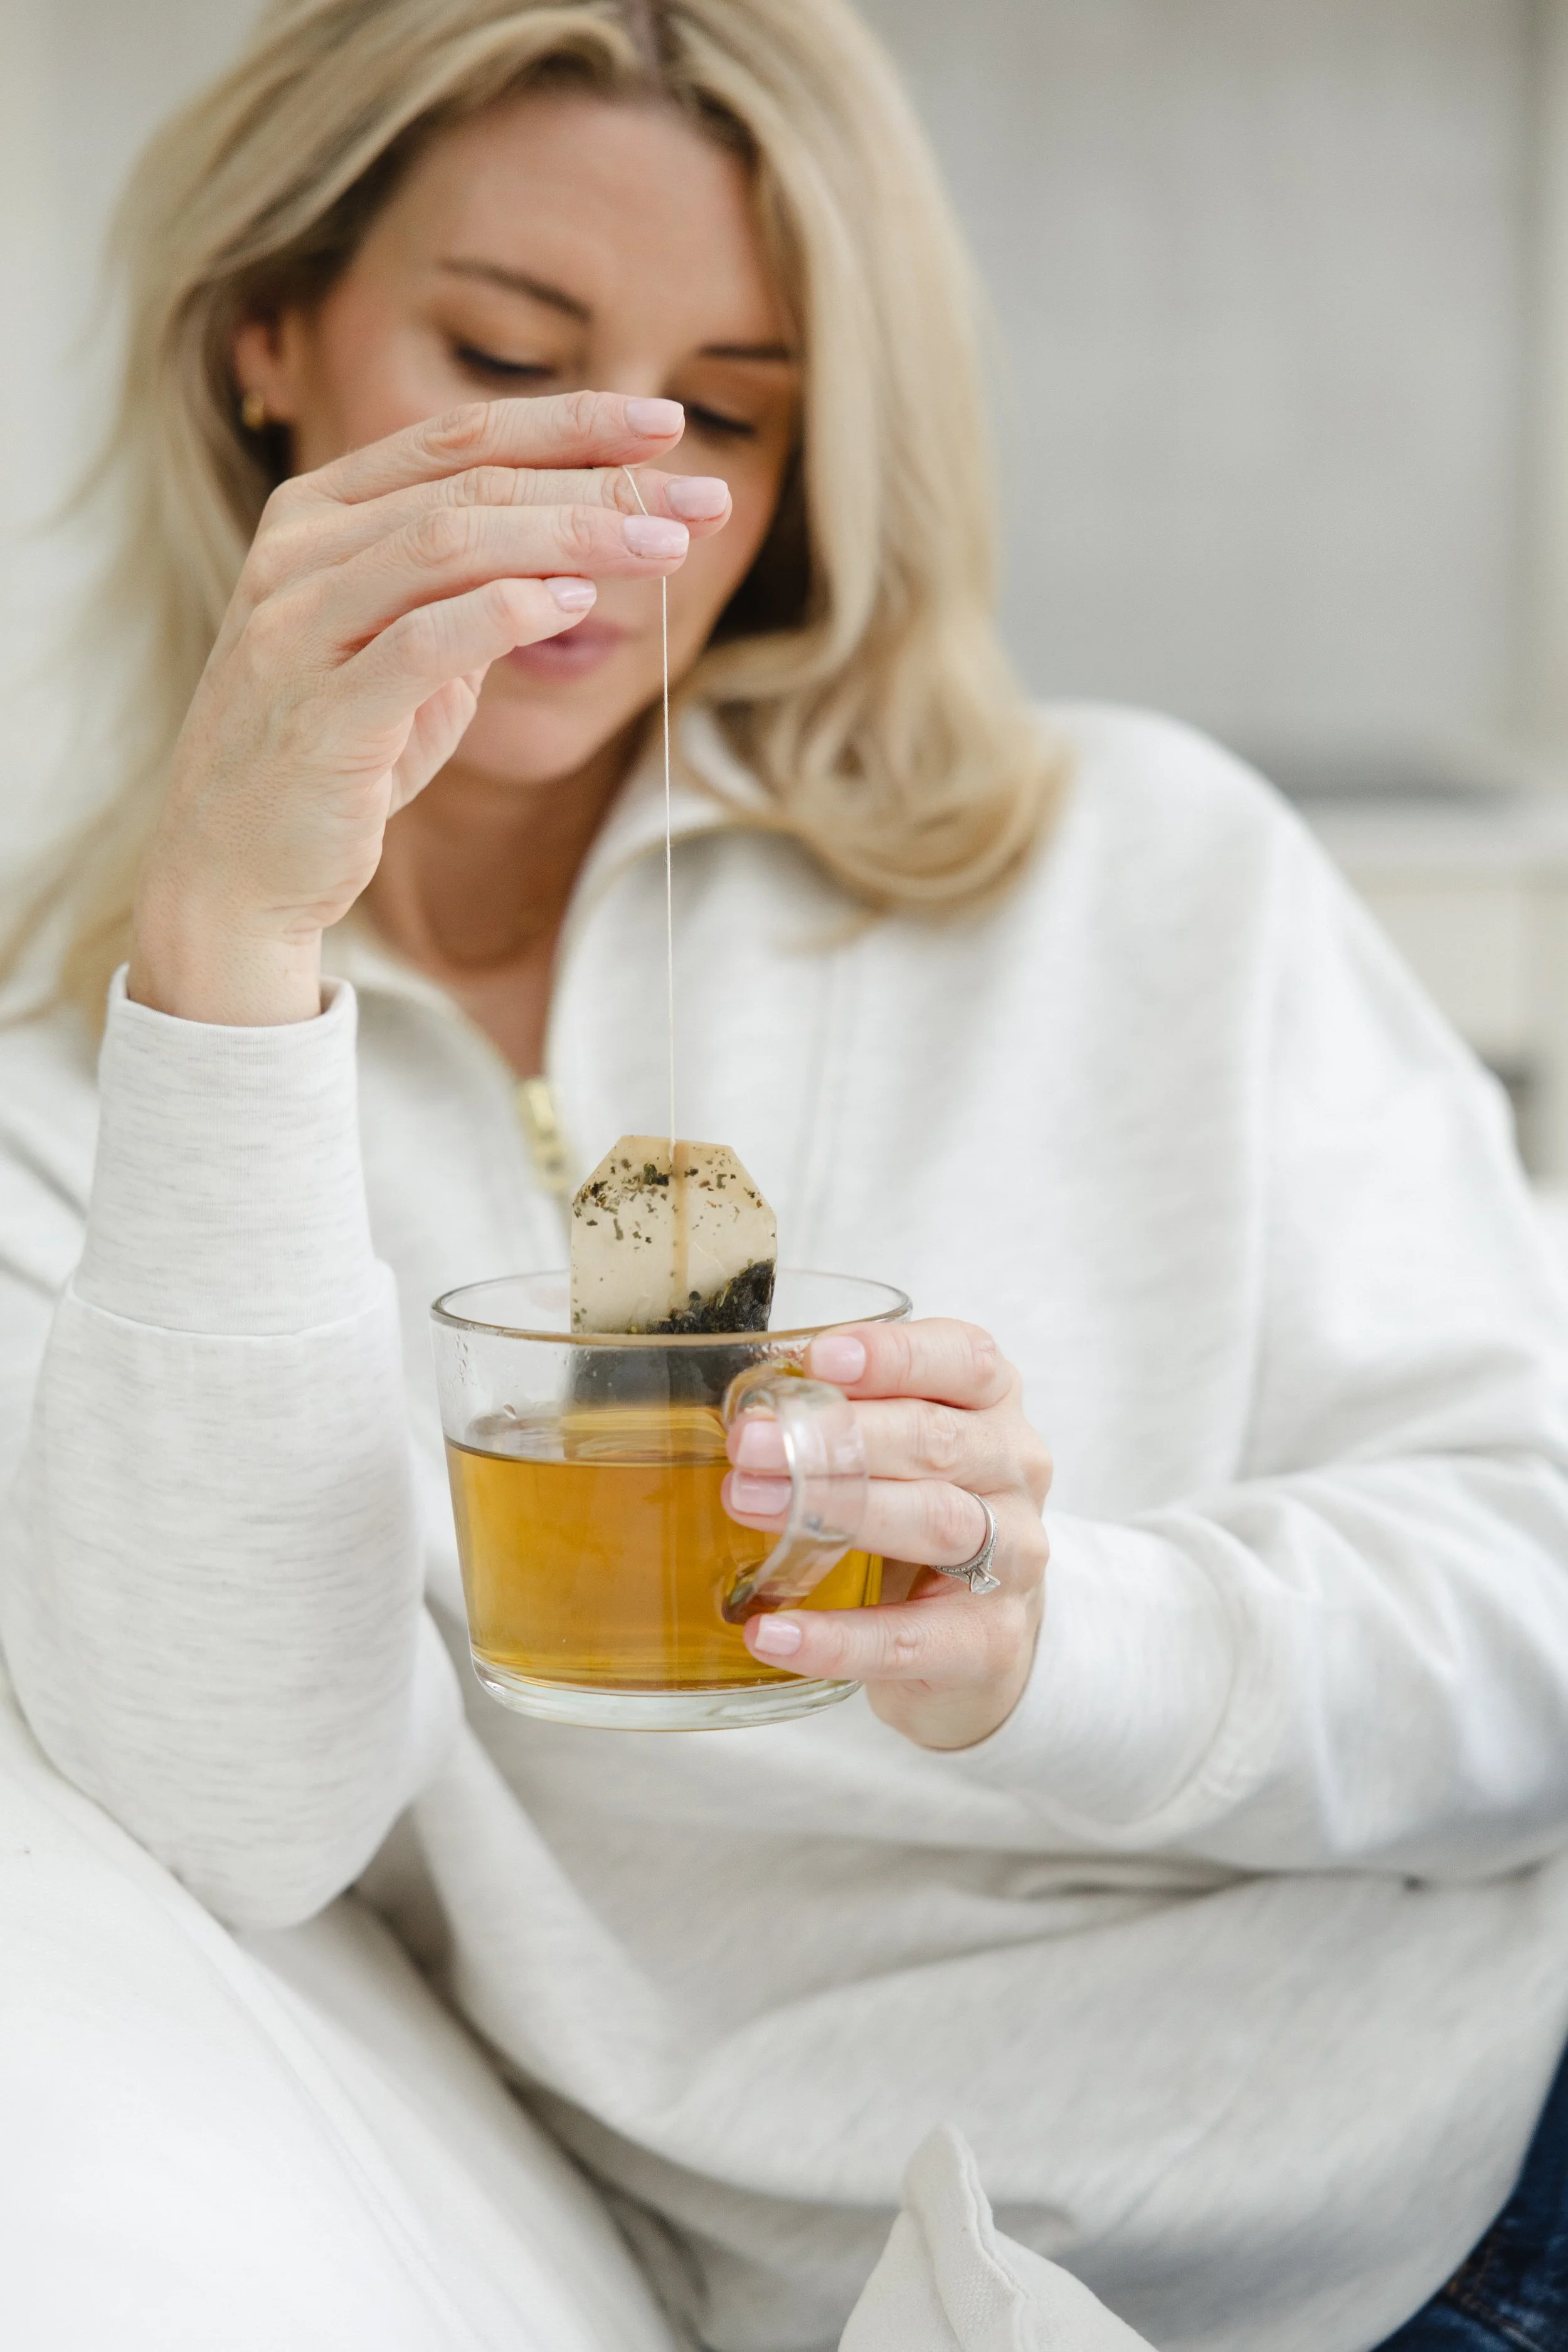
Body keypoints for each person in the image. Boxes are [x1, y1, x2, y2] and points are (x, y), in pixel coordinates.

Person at [3, 2, 1568, 2346]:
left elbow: (1534, 1615)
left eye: (721, 419)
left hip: (1477, 2130)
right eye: (505, 354)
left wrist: (1064, 1633)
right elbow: (234, 1824)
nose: (615, 511)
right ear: (268, 336)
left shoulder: (1134, 866)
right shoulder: (80, 1106)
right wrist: (229, 949)